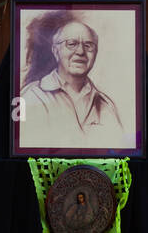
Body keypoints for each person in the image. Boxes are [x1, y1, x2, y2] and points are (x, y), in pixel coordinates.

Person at [19, 14, 127, 148]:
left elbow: (118, 148)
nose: (81, 51)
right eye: (71, 44)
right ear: (55, 51)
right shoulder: (31, 97)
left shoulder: (105, 105)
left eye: (88, 45)